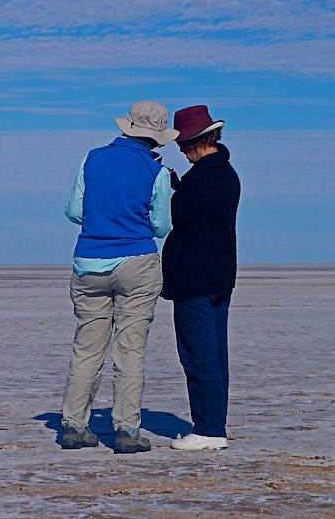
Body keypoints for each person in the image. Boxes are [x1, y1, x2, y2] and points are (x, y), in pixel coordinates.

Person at [60, 100, 178, 454]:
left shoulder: (91, 159)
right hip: (137, 264)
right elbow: (161, 226)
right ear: (157, 137)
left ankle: (72, 425)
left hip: (89, 262)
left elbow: (73, 211)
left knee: (87, 348)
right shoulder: (157, 172)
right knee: (130, 350)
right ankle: (127, 430)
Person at [161, 105, 241, 451]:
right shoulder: (227, 174)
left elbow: (179, 218)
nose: (180, 149)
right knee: (215, 354)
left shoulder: (201, 179)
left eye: (183, 143)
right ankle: (213, 426)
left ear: (197, 141)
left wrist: (171, 188)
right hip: (220, 277)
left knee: (199, 355)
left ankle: (208, 429)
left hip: (195, 279)